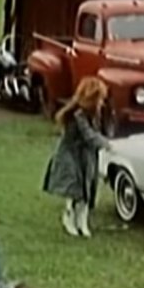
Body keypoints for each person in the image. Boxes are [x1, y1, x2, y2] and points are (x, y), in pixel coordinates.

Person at [42, 76, 113, 238]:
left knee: (88, 190)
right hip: (71, 155)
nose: (102, 102)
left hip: (87, 156)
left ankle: (83, 221)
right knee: (76, 190)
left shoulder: (96, 114)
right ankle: (69, 218)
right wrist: (108, 144)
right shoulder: (78, 115)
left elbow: (100, 131)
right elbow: (89, 135)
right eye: (99, 98)